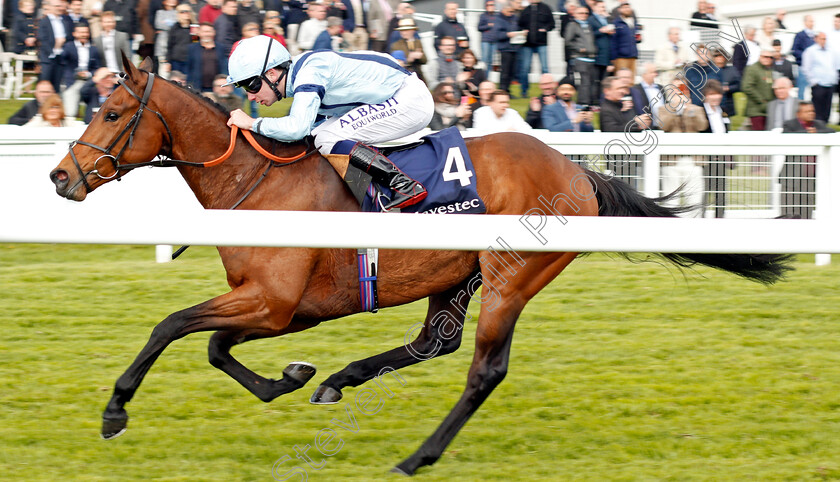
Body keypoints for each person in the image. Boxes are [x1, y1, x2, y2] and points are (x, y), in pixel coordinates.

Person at [224, 35, 433, 211]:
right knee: (320, 134)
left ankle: (403, 185)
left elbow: (297, 128)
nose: (250, 97)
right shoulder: (302, 71)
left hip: (409, 100)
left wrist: (252, 123)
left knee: (327, 136)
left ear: (272, 73)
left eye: (252, 86)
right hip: (393, 95)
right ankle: (367, 195)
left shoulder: (309, 72)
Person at [780, 102, 833, 219]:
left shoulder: (818, 124)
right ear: (798, 113)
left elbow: (831, 132)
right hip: (790, 175)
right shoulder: (789, 124)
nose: (811, 114)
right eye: (807, 111)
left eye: (812, 111)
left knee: (806, 213)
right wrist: (808, 133)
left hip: (809, 176)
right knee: (787, 212)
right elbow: (786, 135)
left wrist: (816, 132)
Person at [699, 80, 731, 218]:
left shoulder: (723, 111)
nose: (715, 97)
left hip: (721, 159)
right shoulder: (700, 111)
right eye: (712, 94)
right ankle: (701, 217)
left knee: (721, 192)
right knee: (704, 191)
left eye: (718, 94)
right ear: (705, 95)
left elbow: (727, 134)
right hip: (706, 159)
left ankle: (720, 218)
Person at [61, 24, 100, 118]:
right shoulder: (68, 47)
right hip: (72, 81)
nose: (84, 34)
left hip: (89, 81)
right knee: (71, 97)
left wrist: (89, 73)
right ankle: (70, 116)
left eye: (86, 32)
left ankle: (88, 119)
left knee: (93, 93)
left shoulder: (93, 49)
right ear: (74, 34)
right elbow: (62, 62)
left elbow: (97, 67)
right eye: (81, 32)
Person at [516, 0, 553, 97]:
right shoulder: (526, 9)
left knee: (545, 69)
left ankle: (548, 92)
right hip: (527, 44)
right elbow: (519, 24)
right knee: (525, 69)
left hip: (541, 43)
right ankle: (524, 92)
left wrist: (545, 29)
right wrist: (523, 31)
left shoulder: (546, 8)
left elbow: (552, 24)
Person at [801, 32, 837, 124]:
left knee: (827, 110)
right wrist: (814, 82)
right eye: (821, 38)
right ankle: (817, 128)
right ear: (816, 39)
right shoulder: (810, 51)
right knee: (817, 110)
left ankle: (825, 127)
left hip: (829, 84)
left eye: (825, 39)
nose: (823, 41)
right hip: (818, 85)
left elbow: (834, 65)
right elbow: (806, 68)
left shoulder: (830, 51)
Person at [564, 6, 596, 106]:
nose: (584, 15)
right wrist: (579, 49)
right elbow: (567, 41)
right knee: (584, 82)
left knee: (591, 82)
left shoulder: (588, 25)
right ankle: (583, 103)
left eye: (586, 13)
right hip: (580, 58)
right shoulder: (572, 25)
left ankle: (590, 102)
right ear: (575, 14)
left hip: (591, 58)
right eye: (581, 13)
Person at [38, 0, 72, 92]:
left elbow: (69, 38)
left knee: (56, 87)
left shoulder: (65, 21)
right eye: (56, 6)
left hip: (61, 58)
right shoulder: (44, 21)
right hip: (48, 58)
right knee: (45, 85)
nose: (59, 8)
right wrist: (55, 48)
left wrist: (63, 50)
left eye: (60, 6)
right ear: (50, 7)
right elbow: (42, 39)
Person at [186, 22, 227, 92]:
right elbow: (188, 67)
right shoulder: (192, 48)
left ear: (214, 32)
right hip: (198, 87)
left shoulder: (221, 48)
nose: (207, 34)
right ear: (199, 33)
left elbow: (224, 67)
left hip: (217, 88)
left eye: (209, 31)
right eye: (204, 32)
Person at [741, 49, 775, 131]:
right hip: (756, 110)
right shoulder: (752, 69)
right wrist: (761, 101)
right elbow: (747, 87)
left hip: (768, 109)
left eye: (771, 57)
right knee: (759, 136)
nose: (768, 59)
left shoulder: (769, 70)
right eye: (765, 57)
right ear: (760, 57)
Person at [493, 0, 520, 96]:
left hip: (514, 48)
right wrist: (508, 34)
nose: (510, 13)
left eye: (512, 11)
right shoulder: (498, 19)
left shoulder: (514, 18)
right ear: (503, 10)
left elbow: (518, 29)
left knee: (511, 72)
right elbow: (496, 35)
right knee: (505, 72)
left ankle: (507, 91)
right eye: (509, 11)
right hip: (505, 49)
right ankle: (502, 91)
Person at [587, 0, 612, 100]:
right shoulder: (591, 19)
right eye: (601, 7)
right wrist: (601, 31)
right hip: (596, 54)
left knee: (605, 81)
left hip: (606, 55)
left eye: (604, 7)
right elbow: (589, 35)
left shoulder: (607, 19)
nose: (603, 9)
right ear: (595, 8)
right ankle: (594, 101)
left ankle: (603, 100)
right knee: (595, 80)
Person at [389, 17, 426, 85]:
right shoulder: (396, 45)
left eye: (406, 30)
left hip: (418, 74)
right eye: (401, 31)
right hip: (405, 75)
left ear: (412, 31)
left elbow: (425, 60)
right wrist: (409, 59)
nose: (403, 33)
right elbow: (396, 64)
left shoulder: (417, 42)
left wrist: (419, 56)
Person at [609, 1, 637, 78]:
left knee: (631, 80)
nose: (627, 9)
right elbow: (613, 42)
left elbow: (636, 39)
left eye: (628, 7)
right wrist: (613, 58)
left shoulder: (633, 22)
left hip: (633, 56)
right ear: (620, 10)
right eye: (624, 8)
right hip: (621, 57)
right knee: (621, 78)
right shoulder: (616, 23)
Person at [630, 62, 662, 128]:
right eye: (652, 72)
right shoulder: (635, 89)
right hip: (645, 128)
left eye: (656, 72)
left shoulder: (661, 88)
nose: (655, 74)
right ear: (644, 74)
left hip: (662, 127)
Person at [791, 15, 815, 101]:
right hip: (803, 67)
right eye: (810, 21)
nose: (812, 23)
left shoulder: (815, 36)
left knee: (814, 91)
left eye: (812, 21)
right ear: (805, 22)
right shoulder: (800, 35)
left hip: (814, 68)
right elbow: (794, 50)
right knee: (802, 91)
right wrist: (806, 57)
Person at [165, 4, 194, 75]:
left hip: (189, 60)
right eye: (182, 12)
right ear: (178, 14)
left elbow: (195, 43)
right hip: (176, 60)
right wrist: (168, 62)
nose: (186, 14)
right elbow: (169, 45)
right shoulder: (174, 28)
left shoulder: (194, 27)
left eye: (188, 11)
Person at [713, 49, 739, 117]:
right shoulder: (709, 71)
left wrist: (728, 88)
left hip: (727, 104)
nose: (719, 58)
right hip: (712, 103)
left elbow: (739, 85)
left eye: (721, 55)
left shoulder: (732, 70)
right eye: (716, 56)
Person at [477, 0, 497, 69]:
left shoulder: (497, 16)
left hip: (494, 41)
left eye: (492, 5)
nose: (491, 7)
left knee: (491, 61)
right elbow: (479, 27)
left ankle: (487, 78)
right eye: (489, 5)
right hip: (486, 41)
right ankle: (483, 77)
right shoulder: (483, 16)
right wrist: (488, 26)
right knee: (484, 60)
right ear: (486, 6)